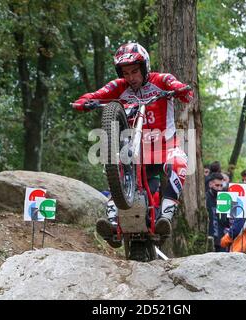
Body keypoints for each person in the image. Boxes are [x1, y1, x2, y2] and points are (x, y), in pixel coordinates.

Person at [72, 43, 193, 247]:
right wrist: (84, 102)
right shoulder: (118, 86)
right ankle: (111, 225)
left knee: (179, 162)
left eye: (135, 71)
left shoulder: (161, 80)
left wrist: (179, 91)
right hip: (136, 151)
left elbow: (183, 90)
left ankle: (165, 217)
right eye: (126, 73)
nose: (131, 77)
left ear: (145, 67)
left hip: (165, 147)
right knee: (115, 169)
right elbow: (94, 96)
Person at [205, 173, 224, 251]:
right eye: (217, 185)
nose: (219, 188)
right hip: (209, 239)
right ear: (210, 184)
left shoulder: (224, 198)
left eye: (221, 185)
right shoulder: (205, 198)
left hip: (222, 240)